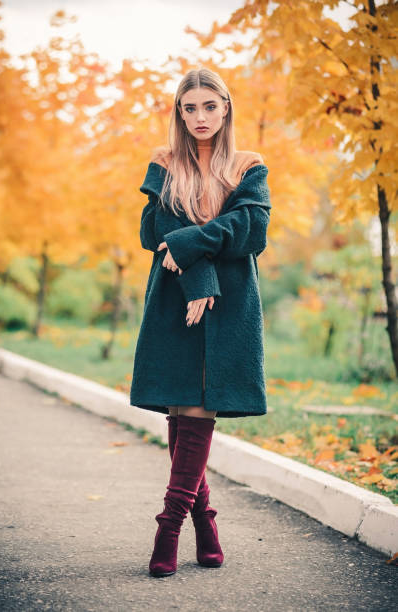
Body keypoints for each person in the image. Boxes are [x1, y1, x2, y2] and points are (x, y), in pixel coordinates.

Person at [130, 67, 272, 577]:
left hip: (231, 305)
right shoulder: (164, 162)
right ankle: (205, 523)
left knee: (198, 411)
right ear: (179, 112)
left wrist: (197, 253)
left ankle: (169, 527)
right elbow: (160, 232)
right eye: (189, 108)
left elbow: (251, 230)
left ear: (226, 107)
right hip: (177, 299)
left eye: (209, 106)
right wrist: (200, 280)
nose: (199, 117)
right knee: (183, 405)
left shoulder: (248, 165)